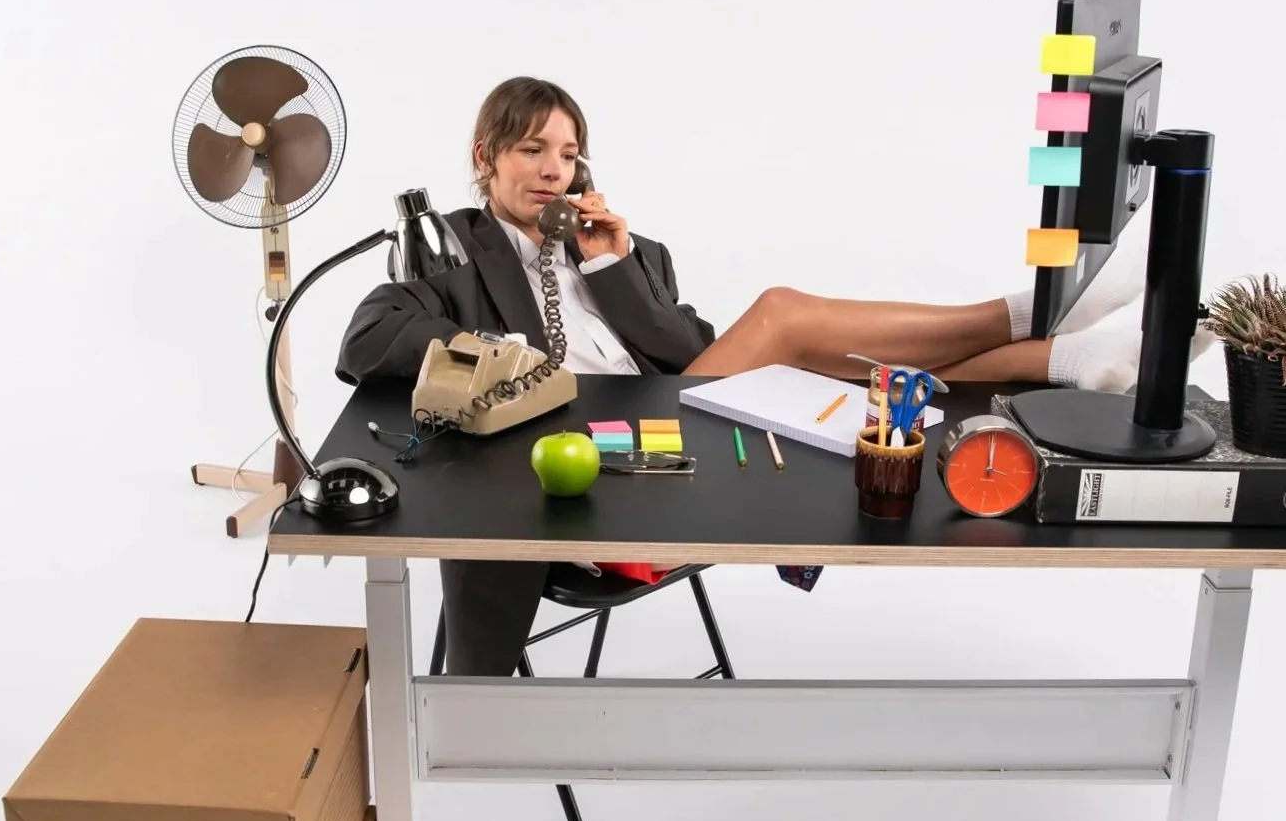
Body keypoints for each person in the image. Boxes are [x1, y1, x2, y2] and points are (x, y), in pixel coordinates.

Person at [337, 76, 1164, 673]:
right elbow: (366, 338)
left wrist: (610, 269)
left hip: (667, 434)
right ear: (486, 159)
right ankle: (1034, 316)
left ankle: (1068, 357)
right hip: (595, 471)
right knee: (784, 318)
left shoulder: (623, 251)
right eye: (532, 150)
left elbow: (683, 345)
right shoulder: (451, 248)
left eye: (569, 153)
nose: (555, 169)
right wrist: (507, 360)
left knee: (861, 371)